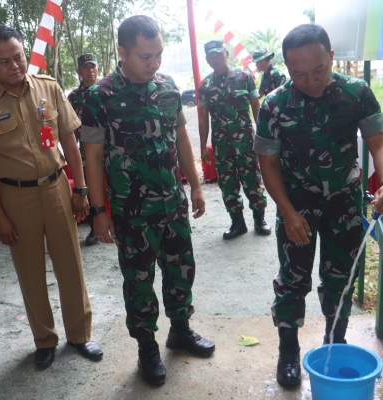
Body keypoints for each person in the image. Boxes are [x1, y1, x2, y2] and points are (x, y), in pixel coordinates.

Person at [254, 24, 383, 388]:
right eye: (298, 73)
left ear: (332, 57)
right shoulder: (274, 104)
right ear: (286, 68)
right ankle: (288, 349)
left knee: (341, 278)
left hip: (344, 202)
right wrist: (287, 213)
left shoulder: (356, 94)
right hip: (296, 203)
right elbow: (268, 164)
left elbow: (380, 144)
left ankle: (334, 342)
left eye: (318, 69)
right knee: (292, 279)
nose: (310, 80)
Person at [82, 15, 215, 386]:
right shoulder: (100, 96)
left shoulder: (168, 87)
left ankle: (180, 330)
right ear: (123, 52)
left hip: (172, 203)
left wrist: (196, 185)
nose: (153, 63)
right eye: (145, 56)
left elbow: (181, 139)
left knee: (181, 269)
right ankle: (147, 349)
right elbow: (91, 157)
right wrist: (98, 212)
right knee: (139, 280)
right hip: (131, 211)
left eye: (158, 54)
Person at [0, 25, 102, 370]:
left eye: (19, 57)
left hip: (56, 186)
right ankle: (44, 340)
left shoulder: (48, 88)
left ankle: (80, 335)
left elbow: (70, 142)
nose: (14, 65)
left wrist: (80, 189)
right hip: (16, 196)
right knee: (30, 271)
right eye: (4, 61)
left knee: (70, 263)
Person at [198, 39, 271, 240]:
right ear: (207, 59)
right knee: (227, 184)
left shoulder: (244, 77)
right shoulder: (205, 85)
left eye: (219, 53)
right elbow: (203, 118)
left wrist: (262, 135)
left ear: (227, 53)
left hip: (246, 142)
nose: (216, 57)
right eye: (211, 55)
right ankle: (237, 223)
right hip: (222, 146)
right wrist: (203, 146)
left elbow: (256, 107)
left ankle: (260, 219)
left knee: (253, 180)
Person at [68, 53, 100, 246]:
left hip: (110, 149)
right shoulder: (73, 97)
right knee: (90, 188)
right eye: (86, 67)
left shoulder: (107, 91)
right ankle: (95, 228)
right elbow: (69, 129)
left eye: (93, 66)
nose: (90, 71)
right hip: (86, 151)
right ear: (79, 71)